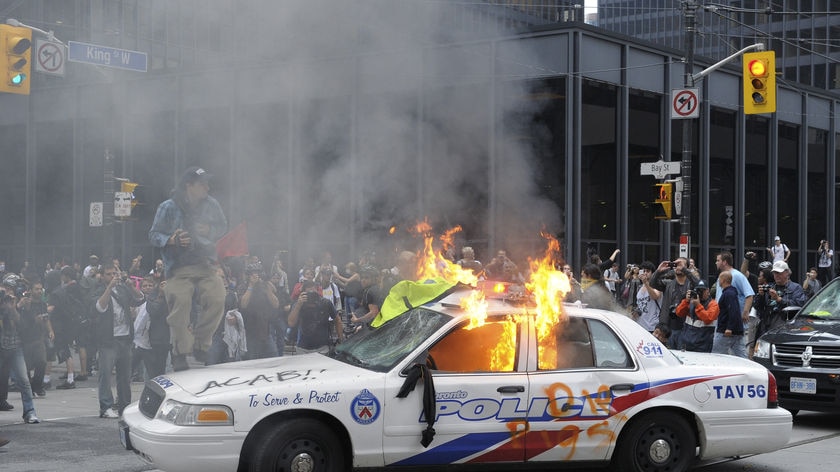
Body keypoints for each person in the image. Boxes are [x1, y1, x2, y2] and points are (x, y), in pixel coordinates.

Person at [148, 166, 228, 371]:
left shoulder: (212, 205)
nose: (207, 188)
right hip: (179, 268)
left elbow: (223, 226)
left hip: (205, 265)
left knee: (218, 297)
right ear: (189, 186)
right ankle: (180, 353)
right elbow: (154, 235)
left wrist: (209, 229)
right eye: (203, 184)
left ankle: (201, 344)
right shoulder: (168, 207)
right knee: (180, 303)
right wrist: (171, 239)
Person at [93, 262, 145, 418]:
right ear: (102, 276)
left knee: (125, 376)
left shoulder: (123, 289)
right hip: (108, 340)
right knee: (106, 374)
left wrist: (130, 285)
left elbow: (140, 299)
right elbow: (99, 307)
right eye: (108, 274)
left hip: (125, 338)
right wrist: (109, 288)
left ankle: (124, 406)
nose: (112, 277)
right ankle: (106, 407)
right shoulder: (98, 290)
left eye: (114, 273)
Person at [0, 274, 41, 424]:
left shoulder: (22, 302)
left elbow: (24, 326)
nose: (10, 292)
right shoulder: (2, 297)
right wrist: (12, 305)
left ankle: (30, 412)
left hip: (15, 346)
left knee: (24, 379)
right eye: (8, 288)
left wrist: (21, 308)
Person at [49, 266, 89, 389]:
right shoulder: (78, 286)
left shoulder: (66, 289)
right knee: (77, 345)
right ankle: (79, 371)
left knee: (75, 346)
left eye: (63, 275)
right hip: (80, 319)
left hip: (71, 321)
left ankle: (79, 372)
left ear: (67, 276)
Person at [651, 258, 699, 350]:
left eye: (681, 264)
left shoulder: (691, 284)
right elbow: (653, 284)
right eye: (676, 265)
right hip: (668, 328)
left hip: (684, 328)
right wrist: (658, 271)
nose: (678, 267)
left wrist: (684, 269)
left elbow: (699, 284)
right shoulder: (669, 284)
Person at [16, 281, 53, 397]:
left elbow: (46, 318)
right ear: (31, 290)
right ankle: (28, 387)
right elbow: (20, 319)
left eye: (40, 289)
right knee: (26, 366)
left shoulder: (42, 304)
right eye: (36, 289)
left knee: (42, 362)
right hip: (26, 338)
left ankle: (37, 386)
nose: (39, 291)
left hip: (39, 338)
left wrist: (50, 330)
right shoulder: (26, 302)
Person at [287, 280, 344, 354]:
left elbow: (337, 320)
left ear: (318, 292)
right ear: (303, 294)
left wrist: (340, 340)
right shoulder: (299, 304)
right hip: (303, 348)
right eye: (309, 293)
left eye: (313, 293)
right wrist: (298, 305)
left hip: (322, 347)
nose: (311, 296)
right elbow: (291, 323)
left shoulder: (325, 303)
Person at [240, 261, 280, 360]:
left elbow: (276, 304)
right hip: (250, 330)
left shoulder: (265, 286)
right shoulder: (243, 287)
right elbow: (243, 304)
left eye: (258, 273)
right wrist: (251, 286)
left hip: (266, 329)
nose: (256, 276)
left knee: (273, 357)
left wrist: (267, 288)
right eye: (253, 273)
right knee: (252, 359)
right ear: (248, 275)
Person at [753, 261, 807, 332]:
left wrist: (779, 299)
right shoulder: (769, 287)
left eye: (779, 273)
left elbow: (800, 305)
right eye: (774, 273)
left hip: (786, 326)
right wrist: (761, 296)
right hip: (767, 326)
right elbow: (757, 307)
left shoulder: (796, 288)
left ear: (787, 273)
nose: (776, 275)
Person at [676, 279, 719, 352]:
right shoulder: (691, 302)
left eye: (702, 290)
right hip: (687, 343)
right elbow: (679, 313)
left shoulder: (713, 304)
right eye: (698, 290)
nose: (700, 293)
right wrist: (686, 301)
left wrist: (698, 305)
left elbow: (708, 319)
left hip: (703, 344)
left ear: (708, 291)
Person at [712, 271, 747, 358]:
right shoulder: (731, 293)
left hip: (726, 331)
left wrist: (729, 328)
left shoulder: (728, 294)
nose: (718, 281)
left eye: (719, 279)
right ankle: (747, 368)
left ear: (723, 280)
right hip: (736, 330)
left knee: (717, 355)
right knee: (741, 355)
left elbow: (733, 310)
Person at [630, 262, 661, 332]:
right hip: (640, 326)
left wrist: (646, 283)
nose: (645, 273)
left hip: (652, 327)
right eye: (643, 271)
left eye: (648, 271)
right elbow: (639, 305)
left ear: (653, 273)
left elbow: (655, 296)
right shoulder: (640, 287)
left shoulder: (657, 285)